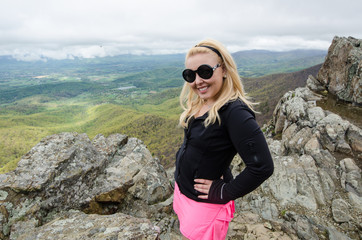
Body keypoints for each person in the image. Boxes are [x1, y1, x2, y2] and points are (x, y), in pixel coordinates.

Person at [173, 39, 274, 240]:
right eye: (190, 75)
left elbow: (262, 166)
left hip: (205, 208)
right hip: (184, 194)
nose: (197, 81)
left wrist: (224, 191)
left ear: (224, 70)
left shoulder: (235, 112)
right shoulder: (203, 102)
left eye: (205, 71)